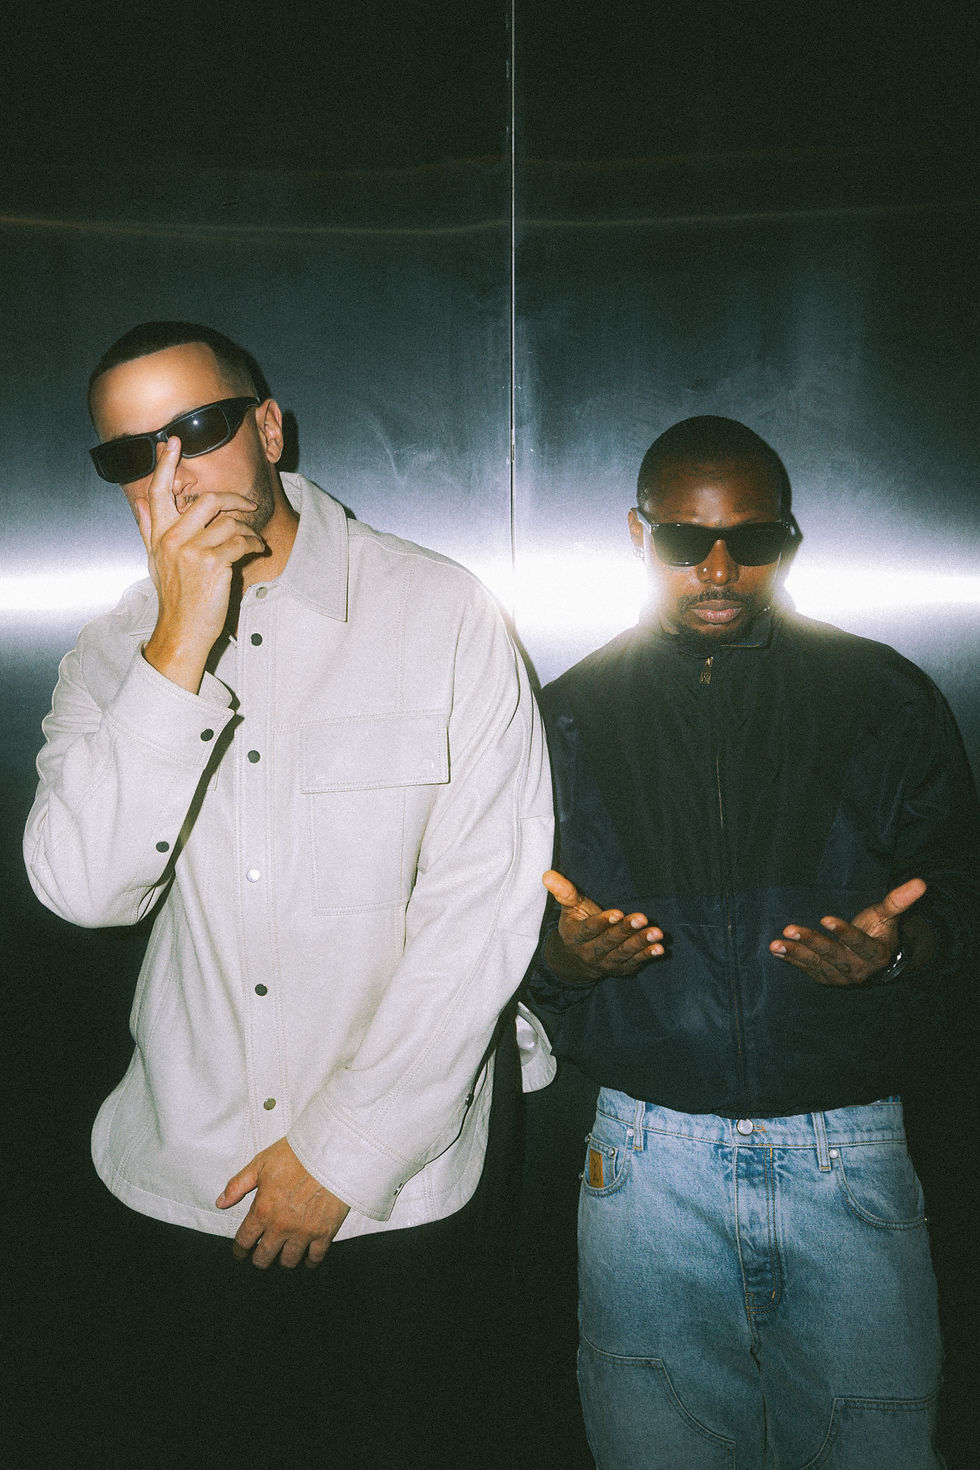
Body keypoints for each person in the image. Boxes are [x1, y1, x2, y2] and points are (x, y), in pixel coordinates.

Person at [24, 321, 554, 1467]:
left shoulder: (439, 611)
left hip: (401, 1188)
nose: (173, 475)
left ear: (267, 429)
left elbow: (482, 908)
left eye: (200, 429)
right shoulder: (112, 655)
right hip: (187, 1186)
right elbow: (83, 892)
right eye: (132, 455)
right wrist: (177, 646)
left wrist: (342, 1155)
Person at [525, 416, 978, 1470]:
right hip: (645, 1166)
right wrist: (563, 959)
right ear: (638, 534)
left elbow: (959, 883)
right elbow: (490, 929)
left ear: (789, 538)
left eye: (753, 539)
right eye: (687, 542)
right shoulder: (566, 716)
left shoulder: (881, 694)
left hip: (849, 1155)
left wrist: (900, 947)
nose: (720, 569)